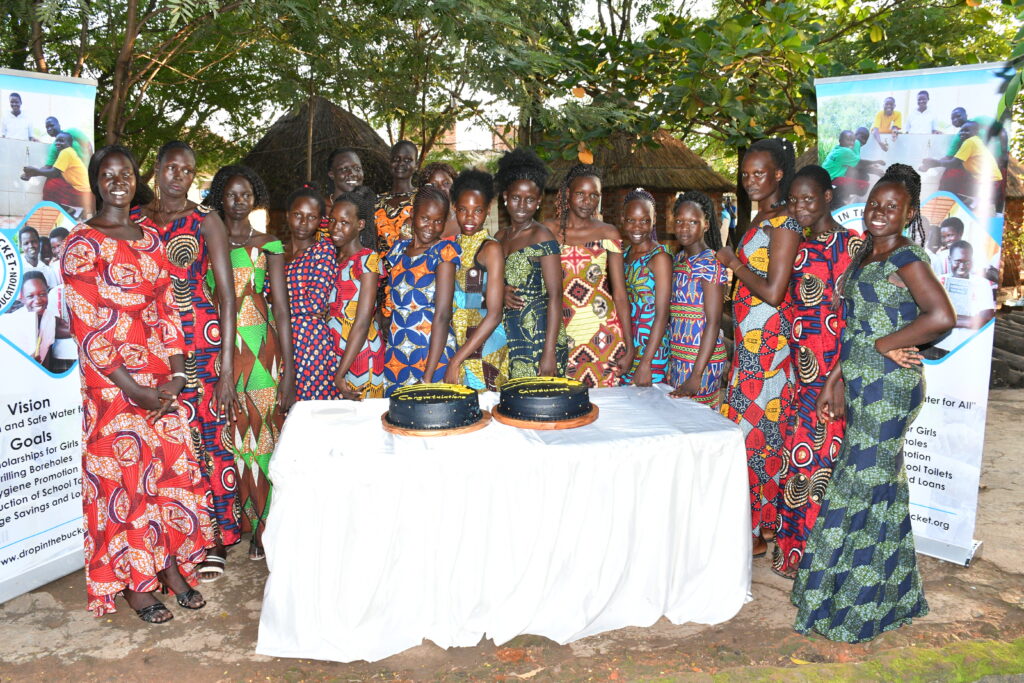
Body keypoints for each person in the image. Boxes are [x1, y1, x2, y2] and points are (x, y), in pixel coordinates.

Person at [793, 164, 955, 643]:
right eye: (873, 205)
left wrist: (889, 344)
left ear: (908, 214)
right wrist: (834, 380)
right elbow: (855, 329)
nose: (879, 213)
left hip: (890, 389)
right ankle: (895, 595)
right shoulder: (867, 251)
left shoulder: (906, 257)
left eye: (891, 207)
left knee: (859, 487)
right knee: (877, 488)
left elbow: (941, 316)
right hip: (860, 380)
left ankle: (852, 606)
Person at [61, 144, 213, 622]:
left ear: (135, 178)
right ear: (96, 182)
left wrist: (174, 373)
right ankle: (132, 584)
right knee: (124, 483)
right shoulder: (80, 244)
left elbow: (167, 304)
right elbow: (89, 327)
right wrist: (136, 389)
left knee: (166, 475)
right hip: (113, 386)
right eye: (108, 174)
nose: (119, 181)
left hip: (158, 378)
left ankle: (167, 566)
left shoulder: (150, 235)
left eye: (126, 173)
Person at [132, 139, 239, 583]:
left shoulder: (205, 220)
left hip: (201, 341)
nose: (179, 175)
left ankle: (215, 539)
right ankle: (174, 542)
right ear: (156, 170)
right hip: (153, 341)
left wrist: (229, 367)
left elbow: (228, 296)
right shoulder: (135, 221)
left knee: (208, 438)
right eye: (172, 167)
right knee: (164, 441)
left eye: (188, 170)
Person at [204, 164, 295, 561]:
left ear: (254, 199)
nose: (238, 202)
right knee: (228, 441)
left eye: (246, 195)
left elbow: (282, 309)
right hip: (215, 354)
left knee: (262, 441)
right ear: (220, 196)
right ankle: (230, 529)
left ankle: (264, 530)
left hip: (261, 353)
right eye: (231, 194)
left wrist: (288, 373)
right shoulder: (206, 240)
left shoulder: (270, 244)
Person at [717, 138, 802, 557]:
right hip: (750, 349)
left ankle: (757, 529)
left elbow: (773, 291)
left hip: (769, 350)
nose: (751, 181)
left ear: (779, 174)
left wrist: (733, 263)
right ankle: (757, 525)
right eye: (746, 174)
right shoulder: (760, 218)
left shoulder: (785, 224)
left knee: (758, 436)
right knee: (752, 435)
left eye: (760, 174)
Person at [773, 165, 853, 580]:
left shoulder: (852, 247)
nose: (801, 207)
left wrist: (836, 382)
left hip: (831, 382)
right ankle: (794, 560)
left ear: (828, 196)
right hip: (802, 378)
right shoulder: (799, 248)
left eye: (809, 199)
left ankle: (822, 569)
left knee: (823, 471)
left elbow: (858, 323)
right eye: (793, 200)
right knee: (799, 467)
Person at [550, 164, 633, 387]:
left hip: (604, 333)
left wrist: (630, 345)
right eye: (580, 194)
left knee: (607, 407)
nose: (587, 201)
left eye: (594, 195)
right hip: (561, 333)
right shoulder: (547, 232)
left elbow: (620, 293)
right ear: (568, 194)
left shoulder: (608, 232)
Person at [496, 148, 568, 379]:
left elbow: (556, 295)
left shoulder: (542, 237)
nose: (522, 205)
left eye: (529, 200)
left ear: (538, 202)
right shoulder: (498, 237)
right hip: (506, 332)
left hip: (539, 337)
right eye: (516, 197)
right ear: (506, 196)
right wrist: (499, 293)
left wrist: (549, 353)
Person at [383, 185, 461, 394]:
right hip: (398, 350)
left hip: (432, 353)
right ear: (413, 214)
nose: (431, 227)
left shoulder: (443, 253)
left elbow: (443, 314)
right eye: (425, 218)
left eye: (438, 221)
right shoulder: (398, 250)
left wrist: (428, 375)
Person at [442, 169, 508, 390]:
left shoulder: (490, 249)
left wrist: (457, 360)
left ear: (487, 211)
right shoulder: (450, 246)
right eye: (463, 210)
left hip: (484, 344)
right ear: (454, 209)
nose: (470, 218)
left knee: (485, 411)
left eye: (477, 210)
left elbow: (495, 313)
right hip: (459, 342)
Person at [666, 191, 728, 407]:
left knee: (699, 425)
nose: (684, 227)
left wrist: (696, 375)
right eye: (680, 221)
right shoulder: (680, 259)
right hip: (680, 356)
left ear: (706, 225)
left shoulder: (710, 263)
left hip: (701, 362)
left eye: (693, 222)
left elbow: (714, 322)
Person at [327, 187, 386, 399]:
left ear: (360, 225)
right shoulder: (330, 259)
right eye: (332, 221)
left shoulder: (367, 260)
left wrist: (339, 374)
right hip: (335, 354)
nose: (336, 227)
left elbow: (362, 322)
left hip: (361, 354)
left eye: (344, 222)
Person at [283, 186, 338, 400]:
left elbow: (315, 304)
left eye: (311, 217)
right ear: (288, 215)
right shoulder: (276, 250)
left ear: (320, 220)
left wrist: (275, 304)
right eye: (298, 215)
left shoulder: (323, 250)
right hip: (279, 339)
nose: (304, 223)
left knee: (311, 409)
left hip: (310, 341)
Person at [619, 188, 671, 386]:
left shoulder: (659, 257)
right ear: (623, 219)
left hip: (651, 350)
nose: (637, 227)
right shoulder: (623, 256)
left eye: (644, 220)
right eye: (631, 220)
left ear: (654, 219)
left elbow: (662, 313)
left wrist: (646, 363)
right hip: (627, 346)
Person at [375, 140, 418, 321]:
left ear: (416, 165)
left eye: (408, 160)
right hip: (378, 281)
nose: (401, 163)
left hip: (413, 279)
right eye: (396, 159)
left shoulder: (423, 201)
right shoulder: (374, 201)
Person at [0, 271, 71, 372]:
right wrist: (26, 364)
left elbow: (46, 359)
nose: (37, 300)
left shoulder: (49, 318)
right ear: (22, 299)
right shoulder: (14, 323)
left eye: (42, 294)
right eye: (30, 296)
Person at [920, 121, 1003, 207]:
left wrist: (935, 163)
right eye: (961, 130)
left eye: (967, 130)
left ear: (976, 132)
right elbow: (953, 160)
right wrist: (932, 164)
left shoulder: (970, 142)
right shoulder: (975, 141)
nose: (963, 133)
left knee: (970, 206)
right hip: (991, 181)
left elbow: (954, 163)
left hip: (989, 182)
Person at [21, 132, 91, 212]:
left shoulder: (66, 152)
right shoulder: (67, 152)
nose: (58, 143)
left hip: (82, 193)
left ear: (69, 143)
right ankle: (66, 208)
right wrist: (31, 174)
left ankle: (69, 209)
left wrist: (34, 171)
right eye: (57, 141)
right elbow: (49, 169)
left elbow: (54, 173)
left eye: (61, 141)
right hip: (83, 190)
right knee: (55, 180)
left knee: (52, 183)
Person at [941, 240, 996, 330]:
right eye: (958, 261)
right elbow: (927, 314)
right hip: (939, 340)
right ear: (949, 260)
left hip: (970, 340)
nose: (962, 266)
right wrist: (967, 320)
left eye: (967, 262)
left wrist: (944, 319)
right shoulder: (938, 280)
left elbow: (985, 319)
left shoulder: (982, 284)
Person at [821, 130, 884, 204]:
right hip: (831, 179)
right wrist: (875, 165)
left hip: (826, 177)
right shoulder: (849, 149)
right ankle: (838, 199)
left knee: (863, 176)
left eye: (852, 140)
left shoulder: (838, 148)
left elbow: (852, 163)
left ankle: (841, 196)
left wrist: (871, 166)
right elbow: (858, 164)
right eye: (848, 140)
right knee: (863, 186)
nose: (851, 143)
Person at [320, 148, 367, 241]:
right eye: (344, 169)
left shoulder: (370, 209)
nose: (352, 173)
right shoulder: (319, 209)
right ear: (331, 174)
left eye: (357, 168)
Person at [416, 161, 460, 239]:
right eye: (434, 185)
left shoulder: (464, 221)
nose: (441, 188)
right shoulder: (414, 222)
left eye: (446, 183)